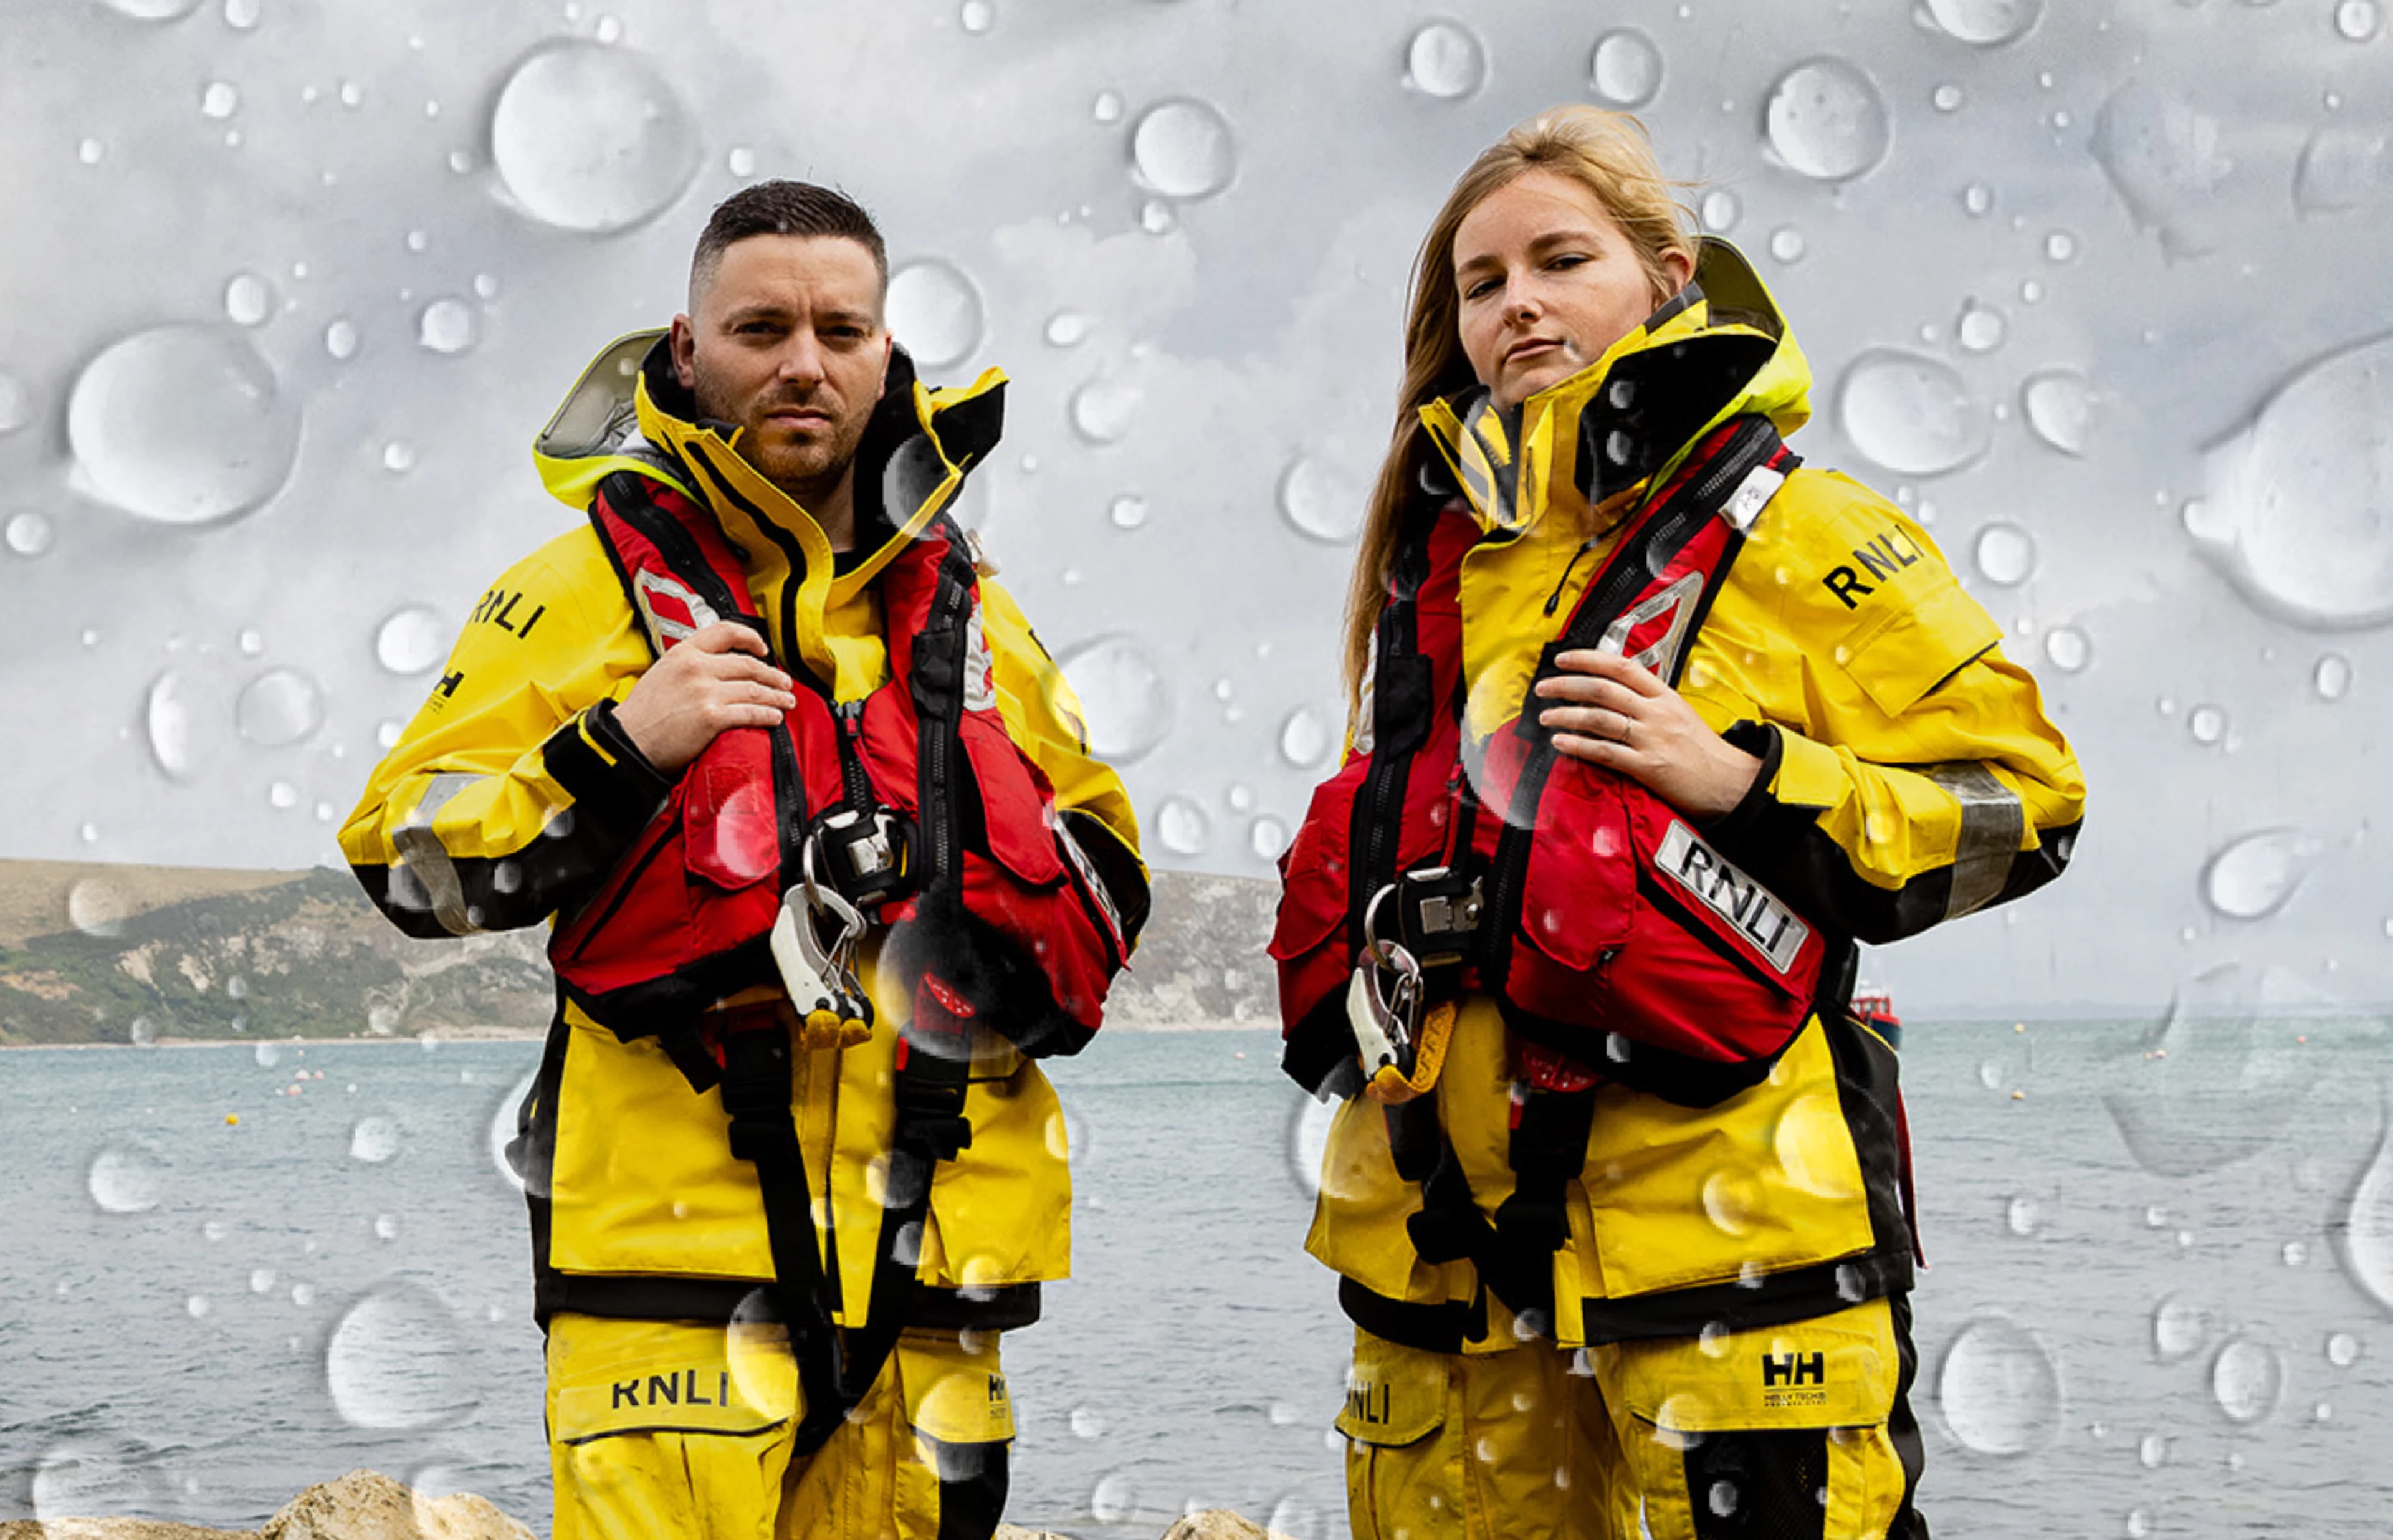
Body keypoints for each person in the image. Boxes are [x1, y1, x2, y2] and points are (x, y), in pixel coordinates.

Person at [1271, 107, 2085, 1539]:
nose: (1517, 300)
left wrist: (1744, 778)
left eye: (1560, 260)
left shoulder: (1803, 529)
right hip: (1448, 1277)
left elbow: (2026, 806)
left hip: (1737, 1260)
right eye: (1480, 283)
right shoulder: (1434, 577)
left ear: (1664, 276)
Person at [342, 181, 1147, 1540]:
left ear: (887, 352)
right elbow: (404, 855)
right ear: (688, 344)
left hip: (929, 1282)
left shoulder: (971, 611)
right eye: (760, 326)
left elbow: (1107, 868)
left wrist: (955, 903)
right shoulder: (580, 587)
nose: (804, 362)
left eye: (841, 328)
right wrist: (620, 746)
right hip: (665, 1278)